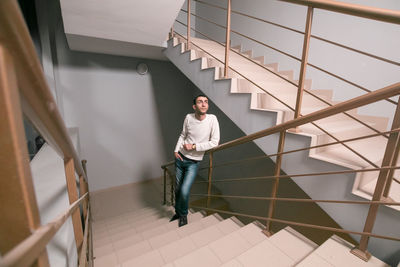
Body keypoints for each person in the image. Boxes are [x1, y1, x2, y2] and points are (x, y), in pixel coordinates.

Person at [171, 95, 220, 227]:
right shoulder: (188, 117)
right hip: (180, 158)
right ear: (194, 106)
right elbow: (183, 135)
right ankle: (177, 212)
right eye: (200, 102)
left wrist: (194, 146)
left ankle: (183, 215)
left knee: (184, 190)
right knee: (177, 189)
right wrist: (176, 150)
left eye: (206, 102)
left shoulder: (212, 119)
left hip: (193, 162)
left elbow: (215, 142)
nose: (204, 104)